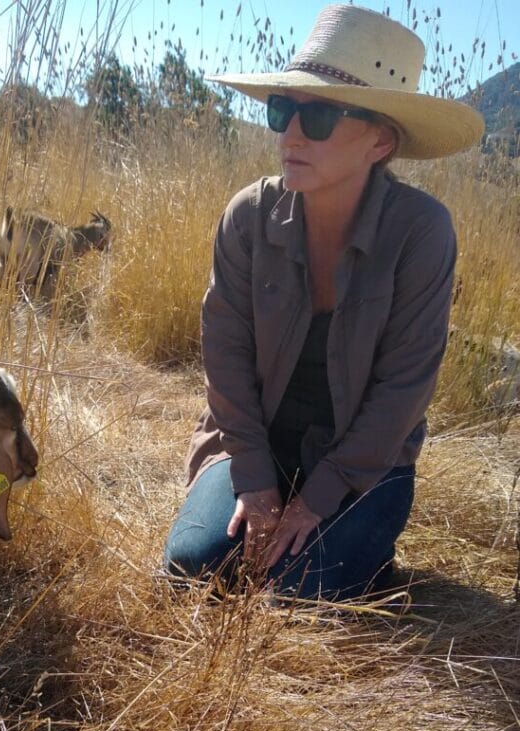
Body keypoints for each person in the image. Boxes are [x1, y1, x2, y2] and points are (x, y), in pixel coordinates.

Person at [163, 3, 484, 601]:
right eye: (282, 110)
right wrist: (256, 484)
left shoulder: (420, 231)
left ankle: (357, 550)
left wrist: (316, 499)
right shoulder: (248, 217)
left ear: (380, 140)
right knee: (191, 568)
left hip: (365, 464)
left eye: (318, 118)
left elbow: (403, 391)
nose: (288, 134)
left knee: (291, 594)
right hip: (255, 442)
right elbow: (224, 356)